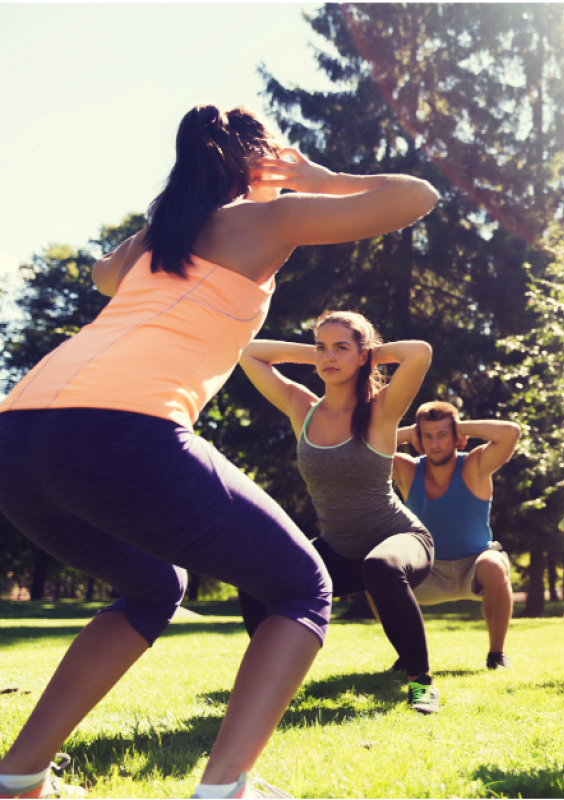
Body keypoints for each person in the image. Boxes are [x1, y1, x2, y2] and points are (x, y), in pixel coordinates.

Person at [0, 104, 438, 800]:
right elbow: (416, 197)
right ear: (254, 157)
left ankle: (18, 776)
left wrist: (167, 212)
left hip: (17, 434)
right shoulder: (266, 220)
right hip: (122, 425)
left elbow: (102, 277)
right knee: (301, 588)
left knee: (153, 587)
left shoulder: (162, 238)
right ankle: (227, 787)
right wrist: (318, 179)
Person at [236, 310, 442, 713]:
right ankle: (272, 681)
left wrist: (364, 353)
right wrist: (319, 353)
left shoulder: (381, 410)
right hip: (339, 549)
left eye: (340, 349)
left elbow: (419, 352)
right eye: (321, 348)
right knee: (254, 574)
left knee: (379, 568)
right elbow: (248, 353)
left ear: (363, 355)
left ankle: (421, 683)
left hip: (400, 540)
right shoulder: (302, 407)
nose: (328, 358)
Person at [392, 403, 521, 670]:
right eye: (427, 436)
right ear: (419, 441)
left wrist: (459, 427)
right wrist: (409, 433)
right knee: (377, 573)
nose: (435, 443)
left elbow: (511, 432)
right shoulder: (407, 469)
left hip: (475, 565)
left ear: (457, 439)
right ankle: (408, 656)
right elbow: (362, 449)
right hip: (427, 570)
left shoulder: (475, 465)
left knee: (494, 564)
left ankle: (496, 656)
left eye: (442, 435)